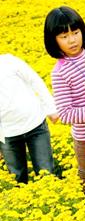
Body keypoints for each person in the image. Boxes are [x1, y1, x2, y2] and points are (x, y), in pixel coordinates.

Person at [44, 6, 85, 193]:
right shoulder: (59, 72)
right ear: (54, 41)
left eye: (75, 32)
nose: (72, 40)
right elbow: (66, 114)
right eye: (64, 36)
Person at [0, 54, 58, 183]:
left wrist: (51, 108)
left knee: (46, 174)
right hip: (7, 134)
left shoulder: (8, 60)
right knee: (17, 178)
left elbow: (34, 80)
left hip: (35, 123)